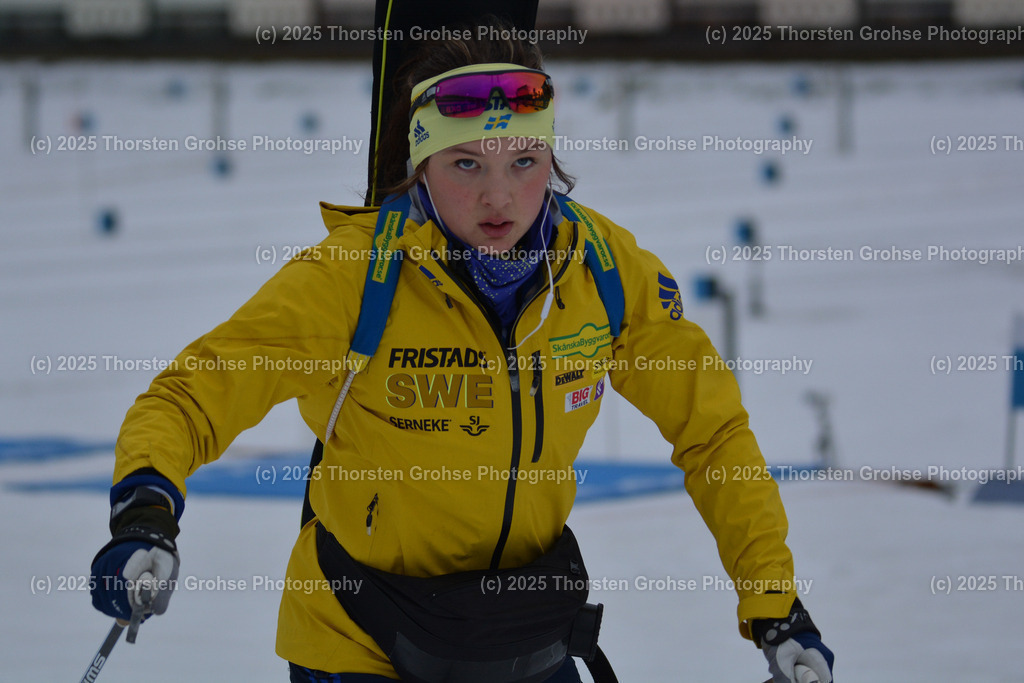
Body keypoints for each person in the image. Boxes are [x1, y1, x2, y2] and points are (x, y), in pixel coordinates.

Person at [90, 26, 835, 683]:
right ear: (420, 167)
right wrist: (146, 513)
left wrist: (774, 604)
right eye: (466, 164)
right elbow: (191, 395)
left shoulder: (605, 273)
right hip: (360, 644)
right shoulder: (352, 279)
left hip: (521, 636)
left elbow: (713, 434)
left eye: (524, 160)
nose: (499, 199)